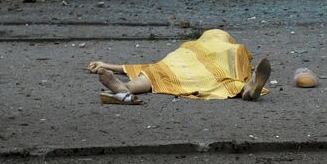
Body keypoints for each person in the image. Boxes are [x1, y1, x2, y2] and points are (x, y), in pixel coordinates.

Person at [86, 28, 270, 103]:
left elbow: (148, 64)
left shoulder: (190, 46)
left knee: (158, 72)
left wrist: (109, 65)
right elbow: (243, 65)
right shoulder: (234, 49)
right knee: (228, 79)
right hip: (215, 71)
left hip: (181, 63)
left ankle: (125, 88)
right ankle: (247, 87)